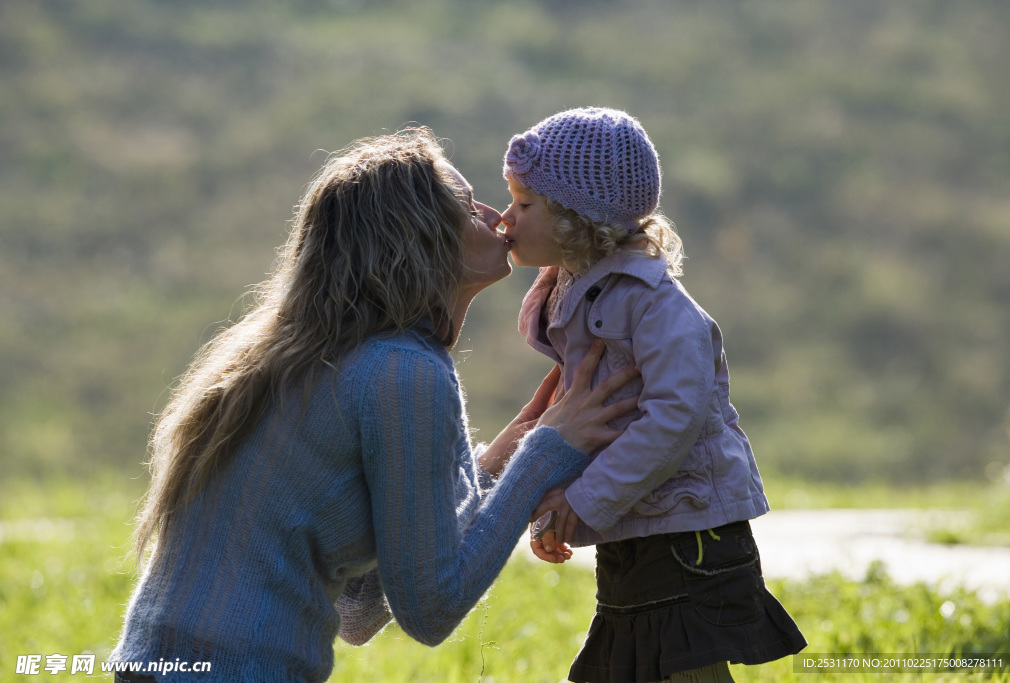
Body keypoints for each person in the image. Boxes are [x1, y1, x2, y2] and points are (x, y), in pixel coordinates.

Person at [110, 128, 641, 682]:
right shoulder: (400, 371)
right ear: (415, 236)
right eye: (464, 206)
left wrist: (493, 470)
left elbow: (358, 609)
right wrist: (544, 457)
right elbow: (431, 610)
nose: (495, 215)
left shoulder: (308, 353)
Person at [499, 108, 807, 683]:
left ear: (575, 216)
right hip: (637, 520)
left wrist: (583, 502)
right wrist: (556, 499)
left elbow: (673, 418)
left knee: (683, 668)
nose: (506, 220)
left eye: (523, 204)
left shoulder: (653, 304)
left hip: (687, 531)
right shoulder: (580, 294)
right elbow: (585, 421)